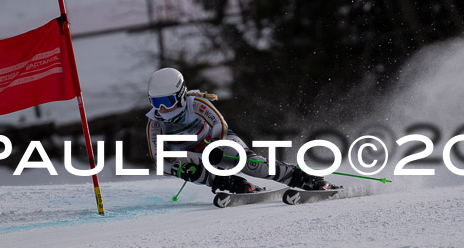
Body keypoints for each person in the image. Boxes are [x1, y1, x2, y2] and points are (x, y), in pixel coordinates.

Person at [145, 68, 339, 194]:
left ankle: (302, 178)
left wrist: (215, 146)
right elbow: (158, 159)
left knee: (254, 166)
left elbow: (220, 123)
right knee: (185, 168)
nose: (162, 110)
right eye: (156, 103)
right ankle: (231, 183)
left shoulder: (195, 103)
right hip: (193, 155)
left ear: (179, 95)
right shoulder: (154, 123)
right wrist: (181, 171)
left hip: (218, 143)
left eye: (166, 102)